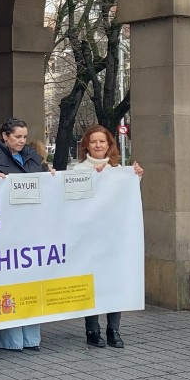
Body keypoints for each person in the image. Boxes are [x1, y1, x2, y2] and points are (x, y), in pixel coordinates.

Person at [0, 117, 52, 352]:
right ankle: (11, 340)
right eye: (17, 137)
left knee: (29, 281)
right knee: (9, 283)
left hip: (30, 228)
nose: (21, 141)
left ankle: (31, 338)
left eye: (24, 137)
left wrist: (51, 175)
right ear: (4, 136)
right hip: (5, 231)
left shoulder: (31, 157)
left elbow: (43, 184)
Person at [71, 124, 142, 349]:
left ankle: (114, 329)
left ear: (110, 145)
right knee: (92, 284)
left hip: (114, 238)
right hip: (89, 238)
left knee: (114, 281)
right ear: (86, 146)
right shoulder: (78, 171)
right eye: (93, 142)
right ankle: (92, 329)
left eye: (102, 141)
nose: (98, 145)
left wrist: (135, 177)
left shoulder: (120, 171)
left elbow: (127, 199)